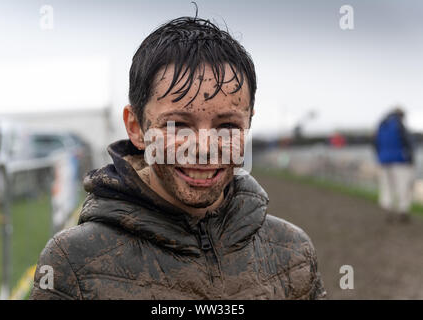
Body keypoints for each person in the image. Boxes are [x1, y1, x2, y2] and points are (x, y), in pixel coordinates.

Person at [30, 16, 326, 300]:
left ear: (248, 123)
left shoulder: (293, 255)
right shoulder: (75, 265)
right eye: (178, 125)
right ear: (136, 127)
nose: (203, 147)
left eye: (227, 126)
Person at [374, 107, 415, 223]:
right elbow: (408, 143)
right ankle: (403, 211)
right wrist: (411, 159)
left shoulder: (381, 124)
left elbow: (376, 143)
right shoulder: (399, 125)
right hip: (400, 161)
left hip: (383, 161)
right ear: (401, 115)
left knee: (387, 186)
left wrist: (380, 157)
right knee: (403, 186)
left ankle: (388, 209)